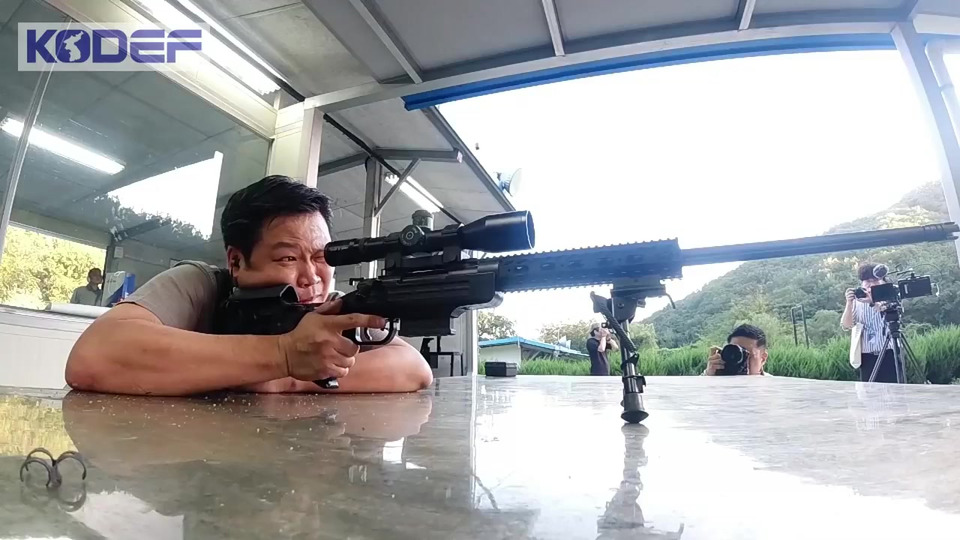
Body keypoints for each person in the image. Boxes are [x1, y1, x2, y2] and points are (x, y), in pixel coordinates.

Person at [66, 175, 433, 396]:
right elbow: (95, 356)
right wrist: (283, 356)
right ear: (237, 262)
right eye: (288, 258)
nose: (311, 276)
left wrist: (291, 377)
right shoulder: (204, 284)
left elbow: (413, 369)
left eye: (322, 257)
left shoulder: (330, 307)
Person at [841, 262, 896, 383]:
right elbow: (846, 325)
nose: (871, 284)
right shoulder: (857, 300)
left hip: (890, 352)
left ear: (881, 280)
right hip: (867, 356)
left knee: (893, 390)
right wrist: (849, 303)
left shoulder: (888, 294)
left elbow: (889, 311)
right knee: (869, 391)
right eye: (867, 281)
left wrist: (872, 301)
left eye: (874, 280)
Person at [702, 324, 770, 376]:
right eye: (735, 353)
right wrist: (708, 377)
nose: (740, 360)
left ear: (763, 358)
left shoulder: (771, 386)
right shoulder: (716, 380)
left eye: (747, 355)